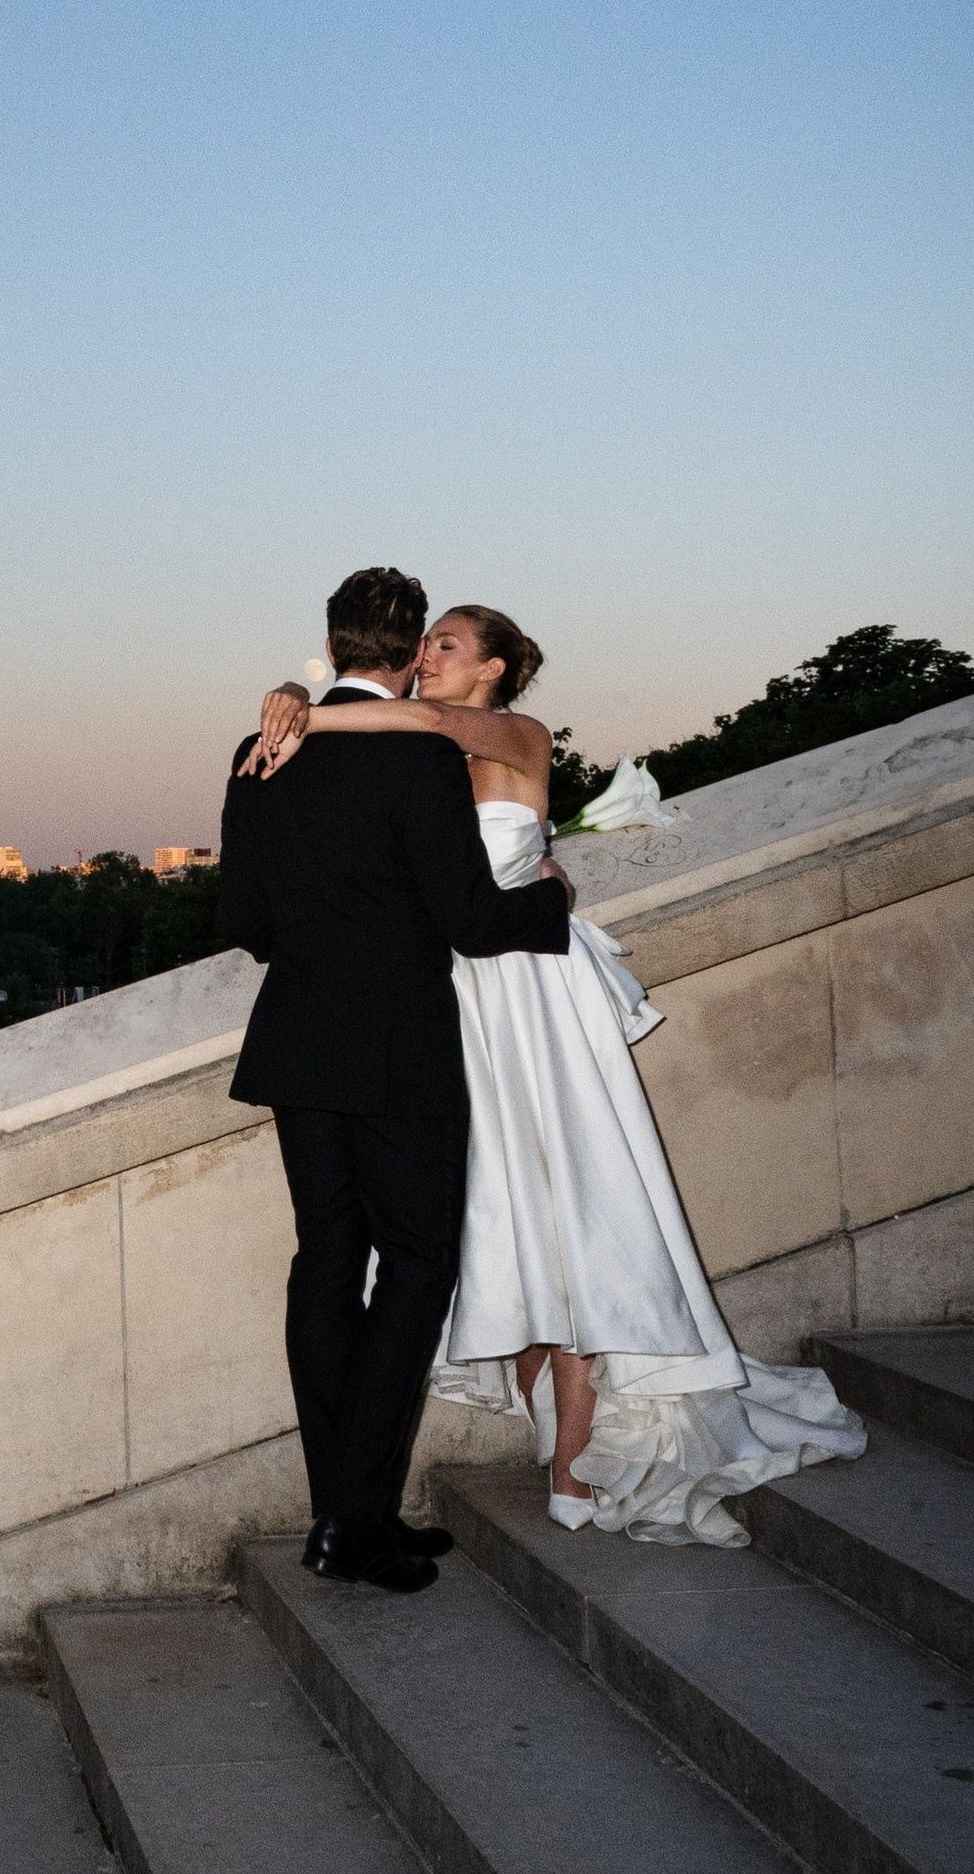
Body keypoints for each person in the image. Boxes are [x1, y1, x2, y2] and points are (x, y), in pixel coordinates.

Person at [252, 602, 866, 1544]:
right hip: (457, 1004)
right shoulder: (426, 761)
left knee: (573, 1203)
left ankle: (576, 1463)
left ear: (494, 669)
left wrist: (304, 705)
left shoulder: (507, 732)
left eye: (447, 644)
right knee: (501, 1210)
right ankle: (551, 1434)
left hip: (531, 999)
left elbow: (416, 719)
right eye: (424, 644)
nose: (426, 657)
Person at [220, 564, 574, 1593]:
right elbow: (469, 918)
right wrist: (550, 905)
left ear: (328, 644)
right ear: (414, 649)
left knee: (325, 1261)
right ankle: (355, 1522)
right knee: (417, 1265)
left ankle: (341, 1508)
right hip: (398, 1046)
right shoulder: (418, 756)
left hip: (294, 1038)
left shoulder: (260, 750)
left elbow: (241, 921)